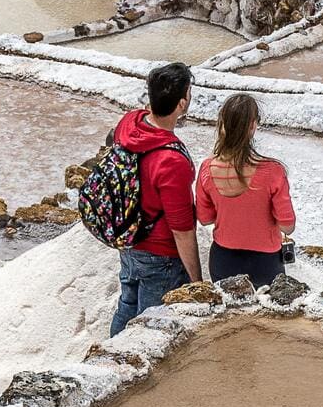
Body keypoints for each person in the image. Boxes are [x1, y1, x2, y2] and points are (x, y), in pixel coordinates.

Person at [108, 61, 202, 336]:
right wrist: (196, 280)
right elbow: (182, 230)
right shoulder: (172, 160)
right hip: (159, 255)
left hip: (128, 239)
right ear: (183, 103)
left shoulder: (129, 123)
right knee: (148, 328)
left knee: (126, 307)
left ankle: (107, 361)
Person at [194, 93, 295, 288]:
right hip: (266, 263)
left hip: (223, 259)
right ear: (252, 125)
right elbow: (287, 226)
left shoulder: (207, 168)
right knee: (265, 315)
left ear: (221, 123)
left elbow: (205, 219)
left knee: (228, 316)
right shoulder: (273, 171)